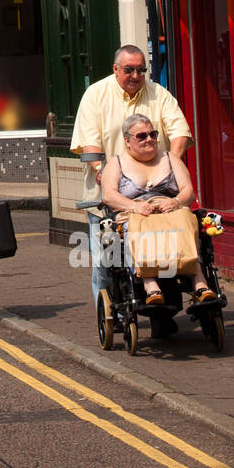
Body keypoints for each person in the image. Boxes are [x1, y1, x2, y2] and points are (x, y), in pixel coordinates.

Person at [72, 45, 192, 338]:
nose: (136, 75)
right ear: (116, 70)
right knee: (108, 261)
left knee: (164, 253)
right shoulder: (96, 95)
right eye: (129, 70)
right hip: (112, 195)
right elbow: (90, 144)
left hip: (156, 194)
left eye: (141, 69)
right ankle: (113, 314)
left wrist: (169, 167)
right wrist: (107, 177)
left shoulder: (158, 94)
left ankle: (161, 314)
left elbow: (179, 133)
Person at [100, 114, 215, 306]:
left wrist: (176, 201)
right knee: (135, 227)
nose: (149, 139)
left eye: (152, 134)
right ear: (127, 141)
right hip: (135, 212)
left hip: (169, 211)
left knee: (188, 220)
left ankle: (199, 282)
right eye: (142, 136)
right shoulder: (116, 163)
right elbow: (109, 196)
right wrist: (134, 206)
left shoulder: (169, 158)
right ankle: (150, 284)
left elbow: (188, 191)